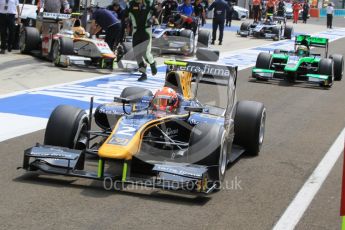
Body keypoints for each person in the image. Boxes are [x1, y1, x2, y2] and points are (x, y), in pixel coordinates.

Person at [126, 0, 158, 81]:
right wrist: (126, 26)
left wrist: (152, 18)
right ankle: (143, 74)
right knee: (137, 53)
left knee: (145, 53)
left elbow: (156, 12)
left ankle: (152, 64)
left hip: (146, 31)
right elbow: (125, 16)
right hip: (136, 31)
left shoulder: (149, 3)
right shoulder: (131, 4)